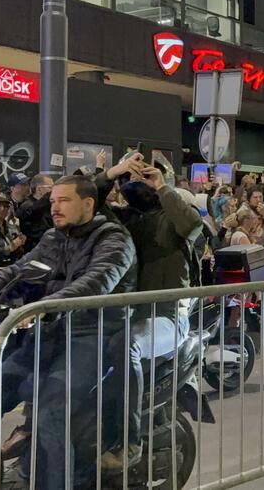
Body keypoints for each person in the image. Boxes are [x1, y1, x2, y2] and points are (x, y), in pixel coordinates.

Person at [0, 175, 137, 490]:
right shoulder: (54, 238)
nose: (54, 207)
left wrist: (43, 307)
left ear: (88, 203)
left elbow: (97, 282)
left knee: (50, 416)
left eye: (64, 201)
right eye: (53, 200)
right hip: (51, 333)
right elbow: (14, 273)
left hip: (92, 335)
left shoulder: (114, 239)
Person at [95, 153, 203, 469]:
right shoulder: (125, 221)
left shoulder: (172, 218)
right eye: (129, 176)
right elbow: (88, 205)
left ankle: (129, 442)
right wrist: (110, 174)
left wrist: (161, 186)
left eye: (143, 175)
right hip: (125, 316)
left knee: (126, 345)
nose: (135, 181)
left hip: (167, 317)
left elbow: (193, 225)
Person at [16, 173, 54, 250]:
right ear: (39, 189)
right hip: (35, 250)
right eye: (50, 187)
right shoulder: (27, 206)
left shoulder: (48, 205)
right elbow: (34, 211)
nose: (53, 190)